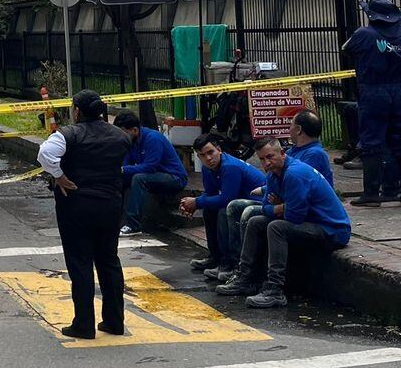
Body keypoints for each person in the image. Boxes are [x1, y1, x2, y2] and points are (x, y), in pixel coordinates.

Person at [37, 90, 131, 338]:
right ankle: (114, 321)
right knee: (109, 261)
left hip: (76, 204)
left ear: (77, 111)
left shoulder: (68, 134)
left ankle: (84, 324)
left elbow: (45, 154)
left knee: (80, 263)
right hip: (110, 204)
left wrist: (60, 177)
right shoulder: (120, 136)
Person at [217, 136, 351, 306]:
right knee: (255, 221)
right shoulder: (273, 175)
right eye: (262, 159)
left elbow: (294, 217)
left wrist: (280, 208)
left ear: (282, 153)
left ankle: (275, 290)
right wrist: (279, 208)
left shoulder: (295, 174)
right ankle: (246, 278)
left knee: (276, 227)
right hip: (309, 222)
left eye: (270, 157)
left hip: (331, 230)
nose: (266, 163)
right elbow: (266, 205)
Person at [178, 133, 268, 283]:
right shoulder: (208, 168)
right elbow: (210, 194)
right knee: (209, 210)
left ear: (219, 149)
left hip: (258, 202)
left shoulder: (230, 167)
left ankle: (230, 264)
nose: (208, 158)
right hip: (237, 203)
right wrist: (194, 204)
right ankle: (215, 258)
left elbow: (227, 198)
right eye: (202, 155)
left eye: (211, 152)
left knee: (223, 211)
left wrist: (196, 202)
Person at [343, 0, 401, 207]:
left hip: (373, 91)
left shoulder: (364, 34)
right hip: (398, 90)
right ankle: (393, 188)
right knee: (397, 139)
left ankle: (371, 192)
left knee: (371, 142)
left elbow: (346, 49)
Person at [114, 110, 187, 234]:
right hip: (153, 177)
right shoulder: (130, 142)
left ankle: (133, 225)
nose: (120, 136)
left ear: (135, 130)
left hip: (174, 178)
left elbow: (149, 167)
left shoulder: (153, 138)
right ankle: (113, 219)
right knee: (119, 179)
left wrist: (123, 169)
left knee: (138, 178)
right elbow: (126, 165)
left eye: (123, 132)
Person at [288, 110, 334, 185]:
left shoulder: (315, 154)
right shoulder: (292, 151)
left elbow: (297, 182)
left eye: (291, 125)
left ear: (298, 130)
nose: (289, 130)